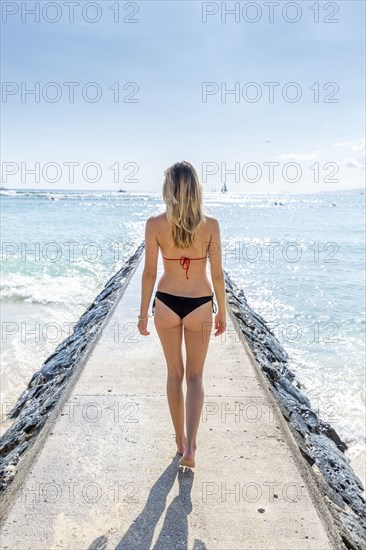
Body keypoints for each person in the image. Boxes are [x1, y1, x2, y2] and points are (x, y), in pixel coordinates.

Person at [137, 161, 226, 468]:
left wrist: (142, 315)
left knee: (174, 374)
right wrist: (222, 312)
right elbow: (217, 276)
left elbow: (149, 273)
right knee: (196, 376)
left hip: (166, 304)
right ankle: (191, 447)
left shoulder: (155, 224)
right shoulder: (211, 225)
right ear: (196, 189)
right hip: (200, 304)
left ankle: (178, 440)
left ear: (168, 190)